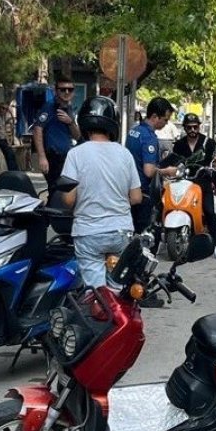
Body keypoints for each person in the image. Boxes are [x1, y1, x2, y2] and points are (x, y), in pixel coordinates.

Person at [59, 97, 143, 289]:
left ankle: (101, 314)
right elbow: (136, 197)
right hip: (121, 232)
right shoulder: (125, 154)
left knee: (97, 294)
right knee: (118, 289)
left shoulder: (75, 154)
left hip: (88, 233)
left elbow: (69, 199)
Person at [126, 97, 176, 307]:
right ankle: (140, 289)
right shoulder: (148, 137)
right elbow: (148, 170)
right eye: (164, 119)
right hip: (144, 195)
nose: (165, 124)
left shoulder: (133, 132)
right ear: (154, 116)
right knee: (146, 243)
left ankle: (130, 284)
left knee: (133, 241)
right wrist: (167, 171)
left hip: (130, 194)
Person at [171, 112, 216, 260]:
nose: (192, 130)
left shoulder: (208, 143)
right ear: (184, 128)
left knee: (209, 210)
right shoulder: (178, 145)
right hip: (184, 182)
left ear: (199, 127)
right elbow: (172, 162)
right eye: (189, 127)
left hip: (203, 181)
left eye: (195, 127)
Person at [32, 76, 81, 195]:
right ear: (56, 91)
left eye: (70, 89)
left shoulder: (68, 109)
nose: (67, 92)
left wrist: (70, 122)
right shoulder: (50, 106)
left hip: (66, 158)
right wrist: (42, 157)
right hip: (53, 157)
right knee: (56, 193)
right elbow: (37, 129)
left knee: (64, 192)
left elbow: (77, 136)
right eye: (63, 89)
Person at [0, 101, 19, 171]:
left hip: (2, 138)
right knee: (8, 152)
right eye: (3, 108)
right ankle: (12, 169)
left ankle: (15, 169)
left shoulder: (3, 116)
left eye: (5, 109)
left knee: (11, 153)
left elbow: (11, 121)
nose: (4, 110)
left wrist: (10, 112)